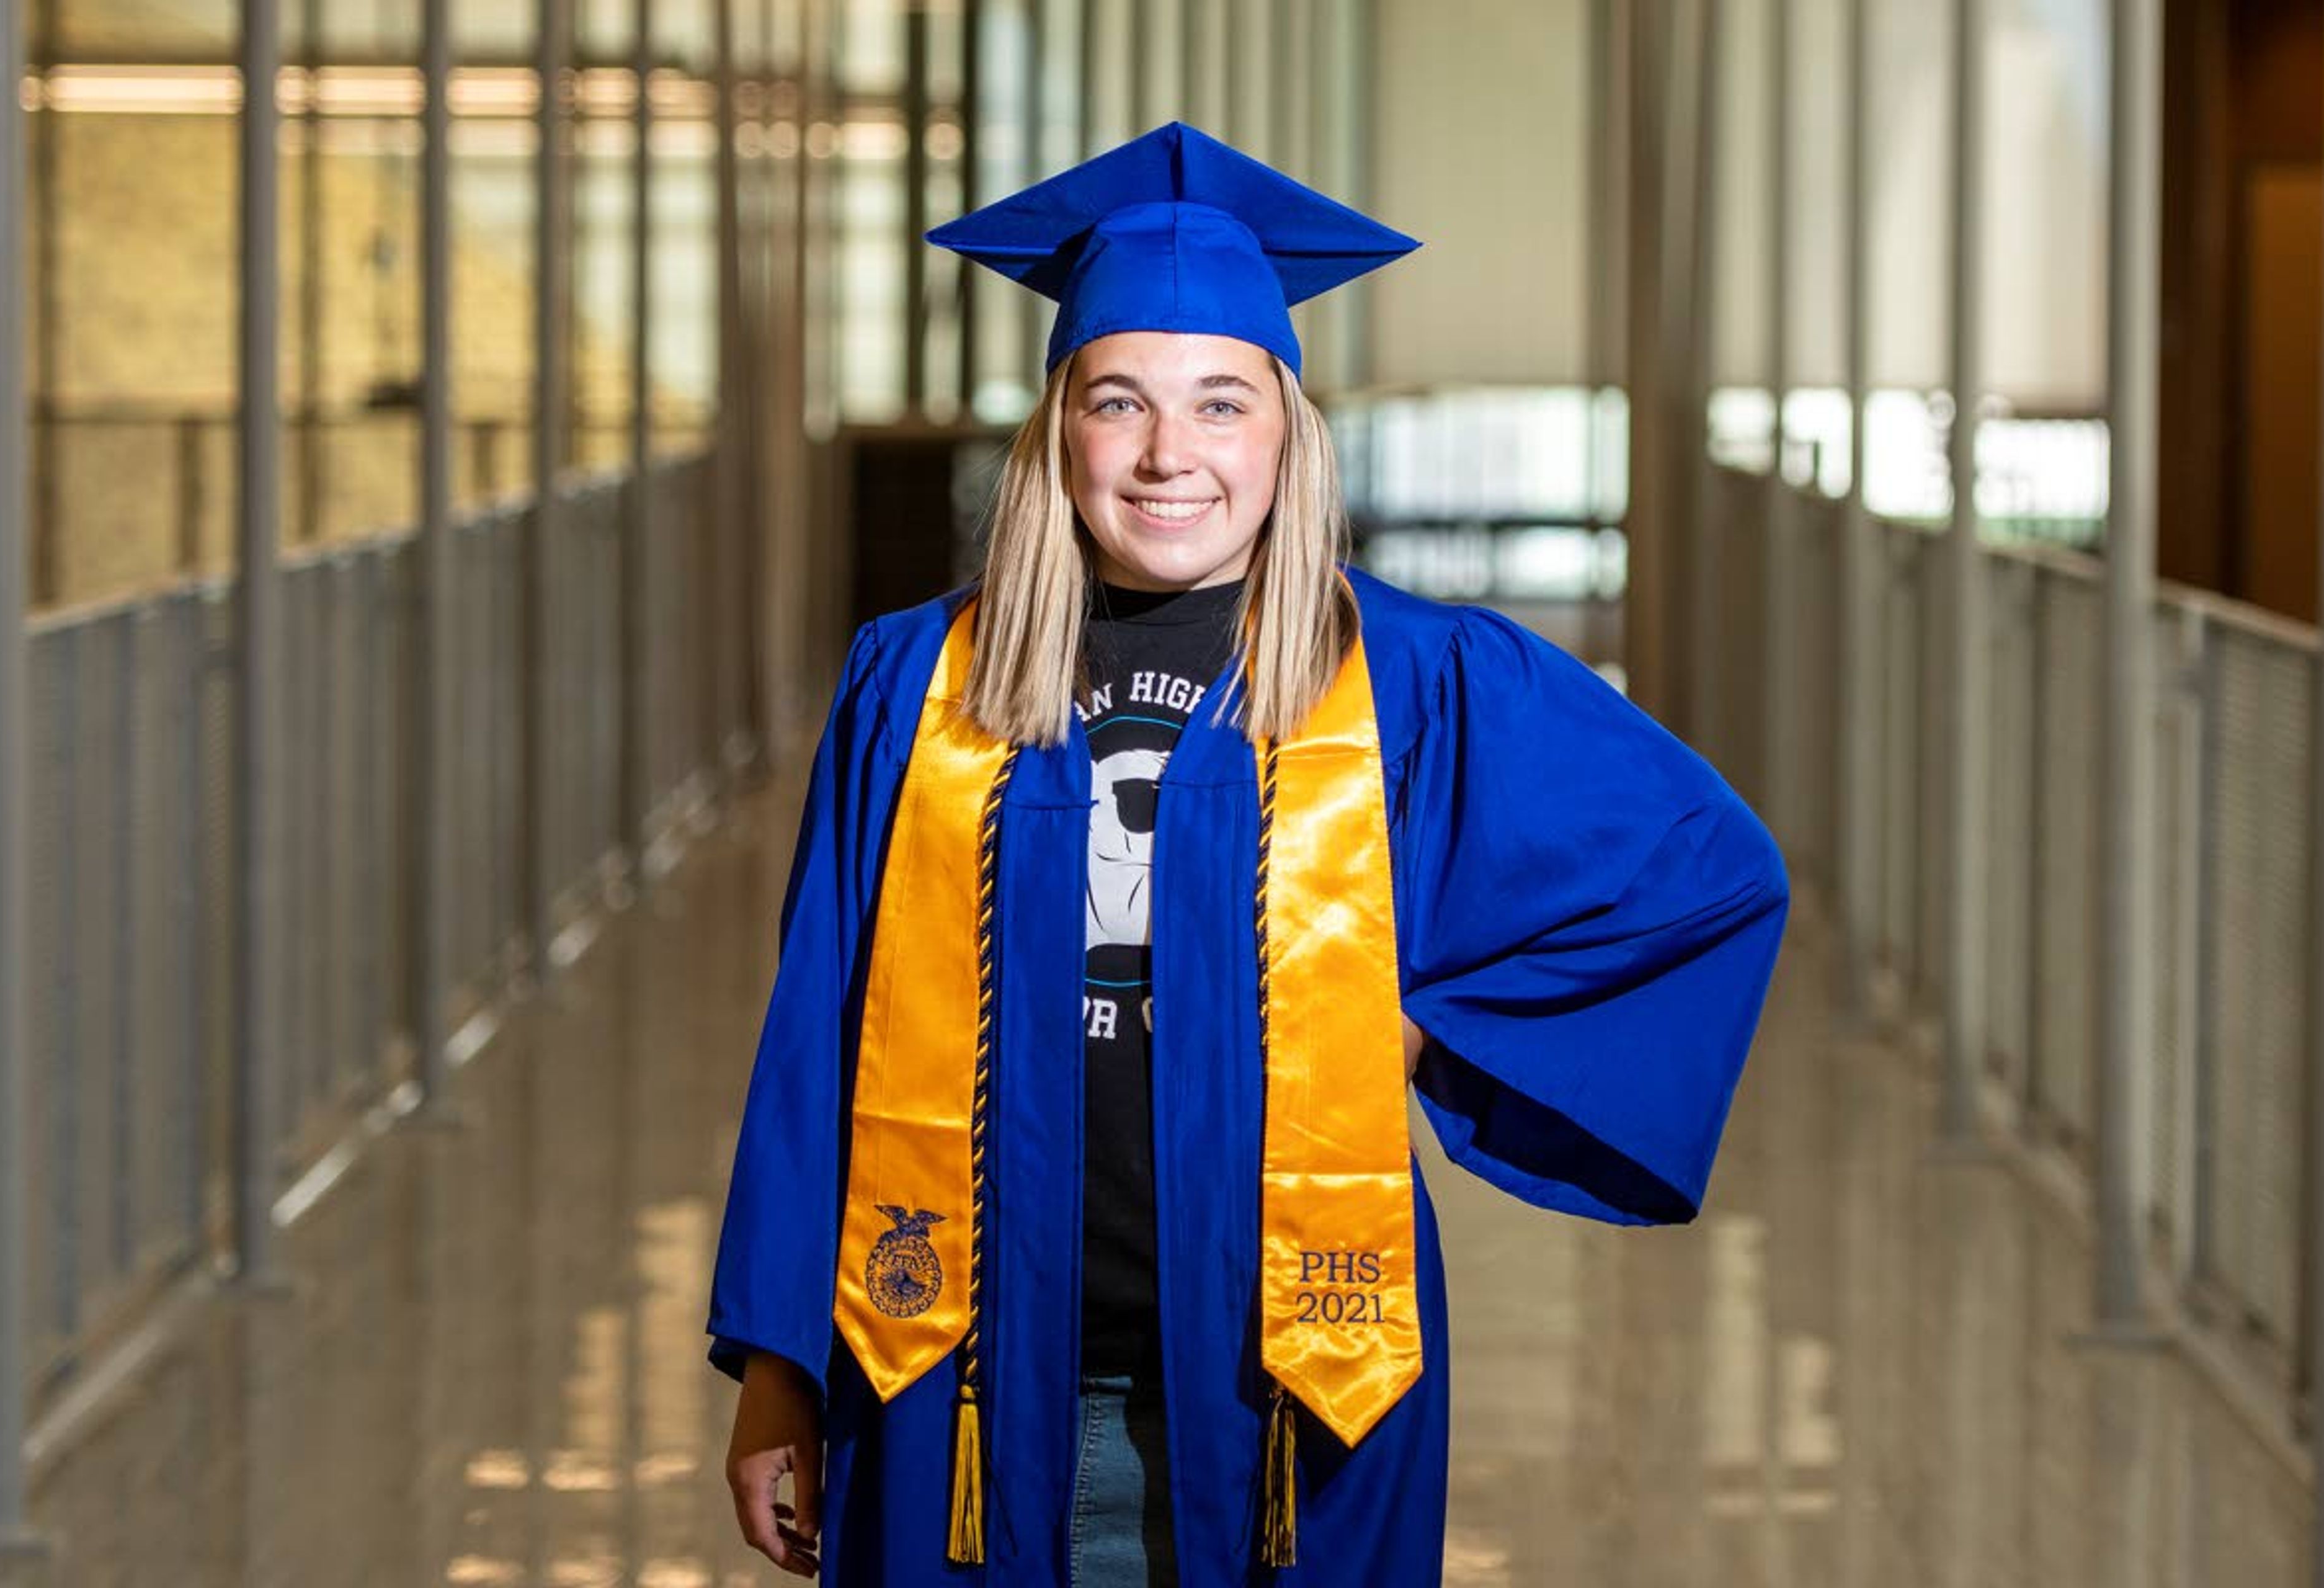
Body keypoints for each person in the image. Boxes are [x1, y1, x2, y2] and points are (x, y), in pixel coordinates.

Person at [706, 120, 1789, 1587]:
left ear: (1287, 428)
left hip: (1290, 1387)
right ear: (1058, 429)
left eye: (1222, 403)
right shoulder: (919, 682)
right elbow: (817, 1029)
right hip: (952, 1371)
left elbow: (1702, 867)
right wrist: (781, 1358)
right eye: (1120, 403)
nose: (1170, 454)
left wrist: (1412, 1031)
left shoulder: (1404, 679)